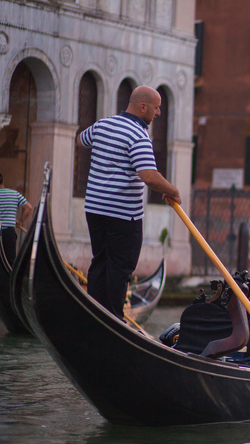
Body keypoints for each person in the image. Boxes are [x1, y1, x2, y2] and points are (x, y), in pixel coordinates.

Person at [77, 85, 181, 321]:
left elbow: (81, 140)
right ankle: (113, 319)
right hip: (123, 215)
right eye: (156, 108)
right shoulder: (138, 134)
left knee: (100, 262)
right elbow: (149, 176)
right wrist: (173, 190)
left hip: (95, 209)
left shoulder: (103, 124)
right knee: (119, 268)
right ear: (142, 106)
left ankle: (94, 314)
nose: (158, 113)